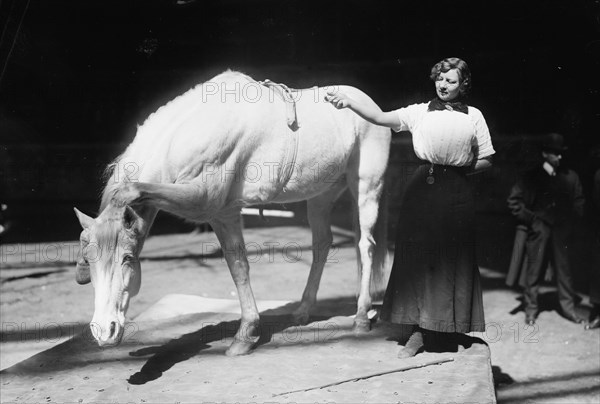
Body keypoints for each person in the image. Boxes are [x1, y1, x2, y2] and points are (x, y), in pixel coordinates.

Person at [326, 57, 494, 358]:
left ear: (463, 85)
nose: (443, 85)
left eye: (451, 81)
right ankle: (418, 332)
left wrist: (462, 165)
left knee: (451, 260)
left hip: (457, 190)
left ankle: (445, 329)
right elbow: (379, 117)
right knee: (418, 260)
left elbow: (488, 159)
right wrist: (349, 101)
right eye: (440, 79)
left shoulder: (474, 117)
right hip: (423, 189)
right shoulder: (419, 112)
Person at [507, 133, 585, 326]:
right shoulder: (530, 176)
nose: (559, 157)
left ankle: (568, 309)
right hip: (539, 231)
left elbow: (579, 203)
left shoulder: (571, 177)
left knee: (564, 271)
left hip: (561, 232)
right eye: (555, 154)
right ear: (544, 154)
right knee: (534, 271)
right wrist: (532, 221)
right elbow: (513, 201)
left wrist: (570, 224)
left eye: (561, 154)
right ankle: (531, 310)